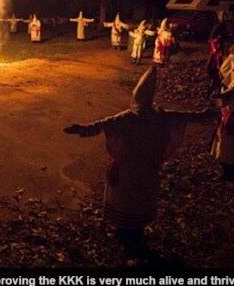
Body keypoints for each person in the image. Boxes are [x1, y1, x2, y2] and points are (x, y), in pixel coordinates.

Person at [64, 66, 214, 257]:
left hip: (128, 171)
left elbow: (99, 126)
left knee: (126, 203)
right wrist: (207, 114)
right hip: (149, 170)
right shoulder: (161, 115)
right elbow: (188, 116)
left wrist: (79, 130)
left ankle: (126, 238)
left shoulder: (127, 118)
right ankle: (136, 235)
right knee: (141, 202)